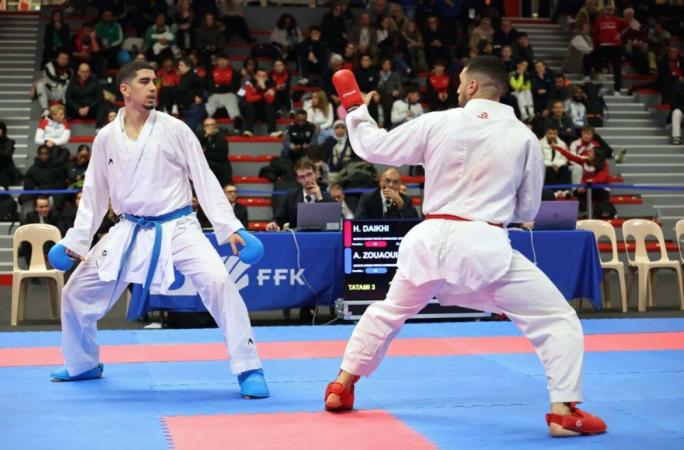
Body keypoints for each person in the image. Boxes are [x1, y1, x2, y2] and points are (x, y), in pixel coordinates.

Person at [325, 55, 607, 437]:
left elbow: (373, 148)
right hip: (482, 245)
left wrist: (356, 109)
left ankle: (342, 384)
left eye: (460, 81)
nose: (457, 88)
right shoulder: (523, 136)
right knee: (556, 319)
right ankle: (564, 410)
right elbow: (527, 209)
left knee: (389, 311)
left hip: (428, 240)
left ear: (473, 85)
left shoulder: (439, 121)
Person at [49, 61, 269, 399]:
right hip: (128, 228)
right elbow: (94, 193)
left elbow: (204, 178)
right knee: (74, 293)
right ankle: (83, 364)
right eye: (144, 81)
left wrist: (230, 228)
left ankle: (249, 367)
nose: (153, 87)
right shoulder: (105, 138)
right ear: (125, 89)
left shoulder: (175, 128)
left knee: (219, 282)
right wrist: (76, 241)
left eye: (155, 81)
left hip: (179, 226)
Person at [265, 158, 333, 231]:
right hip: (297, 239)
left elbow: (332, 222)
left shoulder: (327, 197)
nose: (306, 180)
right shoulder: (291, 196)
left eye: (309, 174)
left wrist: (320, 198)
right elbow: (278, 218)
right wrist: (274, 224)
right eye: (302, 177)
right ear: (298, 180)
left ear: (315, 174)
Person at [205, 54, 243, 133]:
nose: (222, 62)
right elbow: (210, 86)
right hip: (215, 95)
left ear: (228, 61)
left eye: (224, 60)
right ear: (217, 61)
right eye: (220, 60)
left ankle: (237, 129)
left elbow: (233, 87)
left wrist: (219, 86)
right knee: (209, 106)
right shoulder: (212, 72)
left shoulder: (233, 72)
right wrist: (224, 86)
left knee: (234, 109)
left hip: (229, 94)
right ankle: (208, 128)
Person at [35, 49, 73, 118]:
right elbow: (52, 78)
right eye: (61, 58)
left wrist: (64, 82)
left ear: (68, 61)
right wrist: (63, 81)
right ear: (57, 59)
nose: (63, 61)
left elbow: (68, 81)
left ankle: (66, 108)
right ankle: (45, 110)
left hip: (60, 93)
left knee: (68, 85)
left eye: (65, 59)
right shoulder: (49, 66)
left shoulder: (70, 70)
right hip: (49, 91)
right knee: (39, 85)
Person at [65, 63, 105, 128]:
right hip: (76, 110)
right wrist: (78, 108)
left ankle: (98, 128)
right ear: (78, 72)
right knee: (66, 106)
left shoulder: (95, 82)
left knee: (102, 106)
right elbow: (68, 98)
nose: (84, 74)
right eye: (82, 72)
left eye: (86, 72)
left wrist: (88, 107)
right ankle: (66, 128)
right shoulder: (72, 82)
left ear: (89, 72)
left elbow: (99, 98)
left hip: (90, 110)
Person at [199, 117, 232, 186]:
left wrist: (205, 152)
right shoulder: (200, 136)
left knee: (225, 168)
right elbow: (198, 152)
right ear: (203, 127)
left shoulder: (221, 138)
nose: (210, 127)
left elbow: (222, 156)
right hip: (206, 165)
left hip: (220, 165)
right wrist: (206, 137)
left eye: (212, 125)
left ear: (216, 126)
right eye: (207, 125)